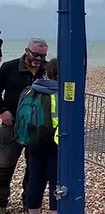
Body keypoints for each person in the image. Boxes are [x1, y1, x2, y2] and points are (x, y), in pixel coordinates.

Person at [0, 38, 48, 213]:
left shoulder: (47, 70)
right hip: (11, 125)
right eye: (35, 54)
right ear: (26, 51)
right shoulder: (9, 67)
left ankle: (29, 203)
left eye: (42, 56)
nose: (39, 59)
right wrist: (3, 110)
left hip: (38, 129)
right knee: (4, 167)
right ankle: (1, 204)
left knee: (33, 169)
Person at [21, 58, 59, 214]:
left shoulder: (31, 89)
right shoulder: (61, 92)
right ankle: (55, 210)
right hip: (56, 141)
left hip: (34, 140)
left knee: (35, 179)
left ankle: (33, 211)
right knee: (56, 181)